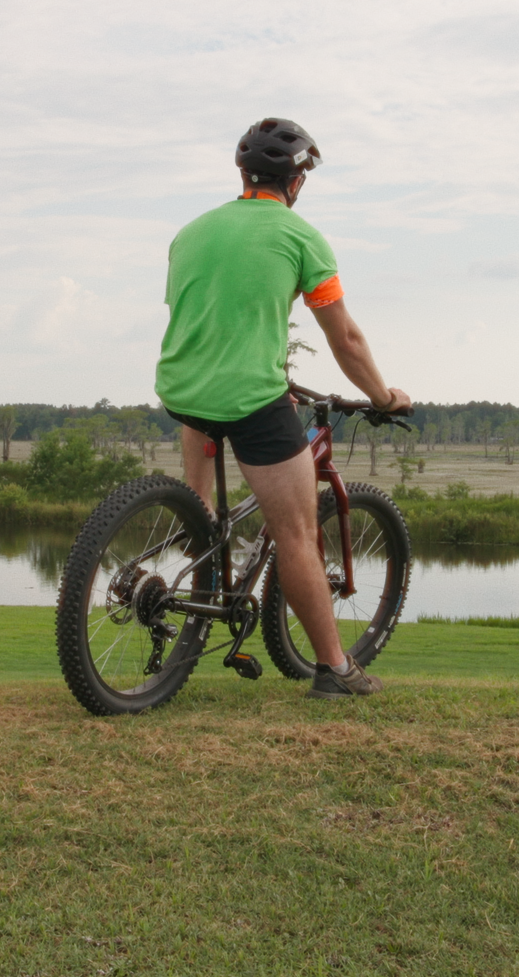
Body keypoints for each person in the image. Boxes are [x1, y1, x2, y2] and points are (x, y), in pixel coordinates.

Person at [155, 118, 413, 700]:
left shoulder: (190, 232)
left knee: (206, 512)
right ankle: (334, 669)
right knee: (296, 532)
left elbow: (206, 316)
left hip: (184, 393)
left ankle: (203, 577)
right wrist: (382, 396)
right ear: (295, 182)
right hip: (249, 400)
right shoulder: (301, 238)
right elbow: (344, 339)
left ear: (243, 174)